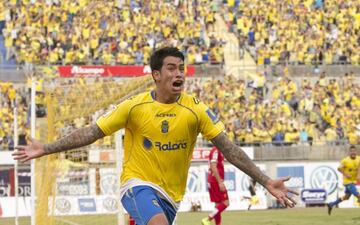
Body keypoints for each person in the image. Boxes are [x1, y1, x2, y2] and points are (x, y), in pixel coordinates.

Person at [13, 47, 297, 225]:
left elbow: (229, 149)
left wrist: (265, 180)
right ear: (156, 75)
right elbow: (91, 132)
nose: (179, 74)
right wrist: (46, 148)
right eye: (172, 68)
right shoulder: (134, 107)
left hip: (172, 197)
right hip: (137, 185)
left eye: (181, 68)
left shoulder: (196, 109)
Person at [327, 145, 360, 215]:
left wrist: (358, 174)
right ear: (349, 152)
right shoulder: (345, 160)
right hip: (347, 182)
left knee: (346, 197)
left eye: (354, 151)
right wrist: (345, 174)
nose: (353, 152)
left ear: (356, 151)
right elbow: (339, 168)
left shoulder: (359, 159)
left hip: (354, 181)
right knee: (357, 195)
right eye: (351, 151)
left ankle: (331, 204)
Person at [201, 147, 229, 225]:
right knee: (226, 202)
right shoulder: (216, 150)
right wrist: (220, 182)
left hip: (212, 180)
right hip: (215, 180)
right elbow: (213, 166)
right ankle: (208, 219)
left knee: (218, 205)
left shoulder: (217, 150)